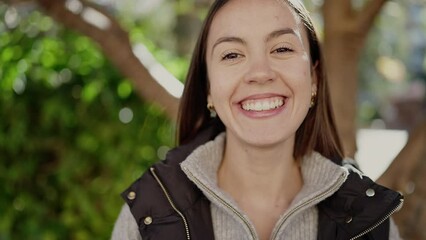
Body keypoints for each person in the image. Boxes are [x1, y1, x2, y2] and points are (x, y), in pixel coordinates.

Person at [111, 0, 404, 239]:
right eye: (232, 55)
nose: (260, 72)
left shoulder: (371, 221)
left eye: (281, 49)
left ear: (314, 78)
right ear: (208, 88)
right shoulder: (150, 216)